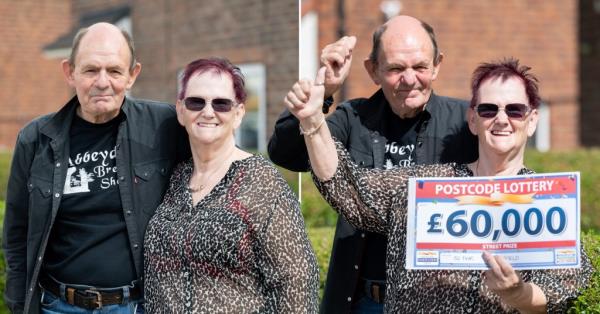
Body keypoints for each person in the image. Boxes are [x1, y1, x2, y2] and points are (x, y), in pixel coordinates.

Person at [291, 58, 592, 313]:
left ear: (532, 120)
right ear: (473, 120)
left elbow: (560, 286)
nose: (502, 119)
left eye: (514, 110)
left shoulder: (549, 199)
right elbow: (349, 187)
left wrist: (517, 293)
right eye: (489, 109)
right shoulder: (422, 189)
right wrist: (313, 122)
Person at [269, 15, 478, 313]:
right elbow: (286, 154)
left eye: (420, 66)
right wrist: (323, 93)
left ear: (437, 64)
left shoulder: (464, 122)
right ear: (373, 70)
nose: (409, 79)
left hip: (439, 302)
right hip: (366, 299)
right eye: (395, 68)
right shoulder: (354, 118)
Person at [3, 23, 190, 313]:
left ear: (132, 75)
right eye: (91, 70)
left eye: (114, 71)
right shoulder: (35, 139)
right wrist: (18, 306)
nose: (103, 82)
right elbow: (16, 234)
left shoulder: (163, 126)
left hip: (137, 305)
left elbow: (217, 161)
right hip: (58, 306)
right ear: (70, 72)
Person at [143, 57, 319, 313]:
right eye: (196, 102)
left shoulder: (262, 182)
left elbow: (296, 281)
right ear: (181, 110)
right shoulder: (176, 177)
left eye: (221, 104)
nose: (207, 111)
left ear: (238, 114)